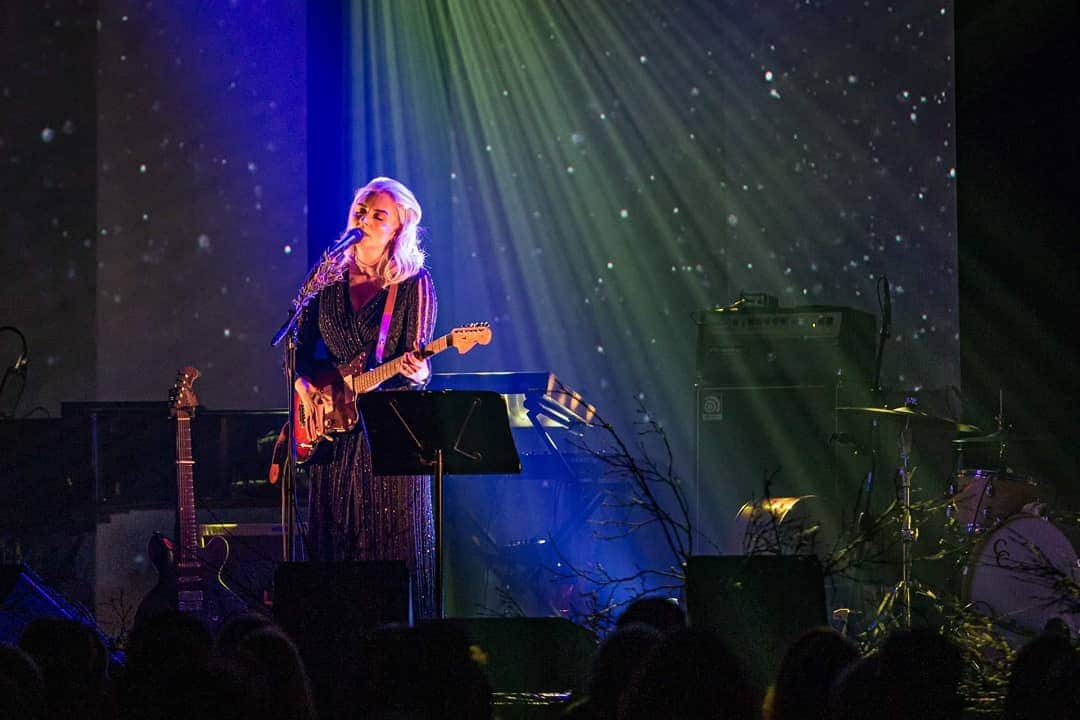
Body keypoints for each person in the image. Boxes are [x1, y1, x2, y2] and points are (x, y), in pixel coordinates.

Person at [293, 176, 437, 618]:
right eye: (361, 211)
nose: (366, 220)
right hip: (332, 433)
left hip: (387, 433)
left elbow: (418, 364)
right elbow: (297, 351)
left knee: (390, 548)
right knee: (334, 549)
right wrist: (307, 391)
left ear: (398, 227)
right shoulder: (326, 277)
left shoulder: (413, 283)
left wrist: (420, 371)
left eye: (379, 215)